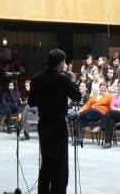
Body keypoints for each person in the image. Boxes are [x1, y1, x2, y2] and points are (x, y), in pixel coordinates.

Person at [28, 49, 81, 194]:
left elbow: (31, 102)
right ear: (61, 63)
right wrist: (73, 81)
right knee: (59, 161)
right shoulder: (62, 79)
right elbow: (76, 96)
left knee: (46, 160)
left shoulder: (37, 78)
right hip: (57, 123)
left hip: (43, 122)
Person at [92, 79, 120, 149]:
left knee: (111, 112)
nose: (119, 88)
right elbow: (111, 106)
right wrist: (118, 110)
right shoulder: (116, 96)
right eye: (118, 86)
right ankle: (107, 143)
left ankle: (99, 127)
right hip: (116, 115)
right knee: (110, 120)